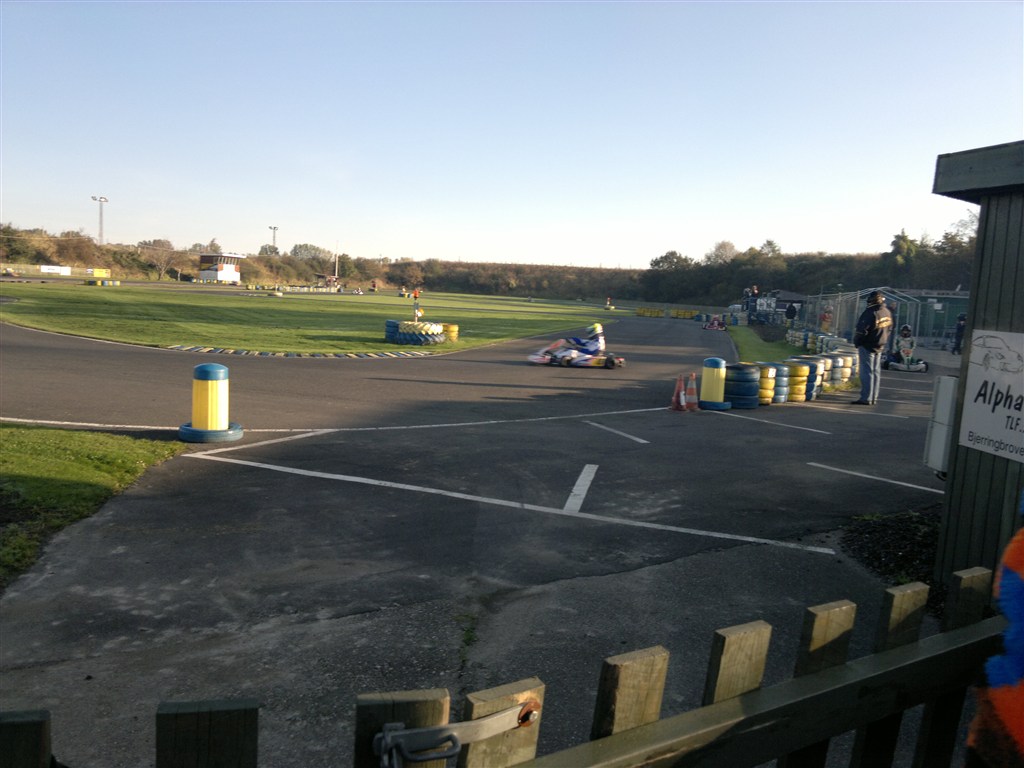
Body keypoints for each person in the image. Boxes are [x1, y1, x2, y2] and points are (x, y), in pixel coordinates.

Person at [851, 290, 893, 405]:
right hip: (880, 344)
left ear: (871, 300)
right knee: (876, 372)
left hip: (867, 345)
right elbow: (890, 329)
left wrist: (857, 342)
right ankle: (874, 397)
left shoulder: (870, 312)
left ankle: (866, 397)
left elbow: (861, 330)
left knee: (866, 372)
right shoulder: (887, 312)